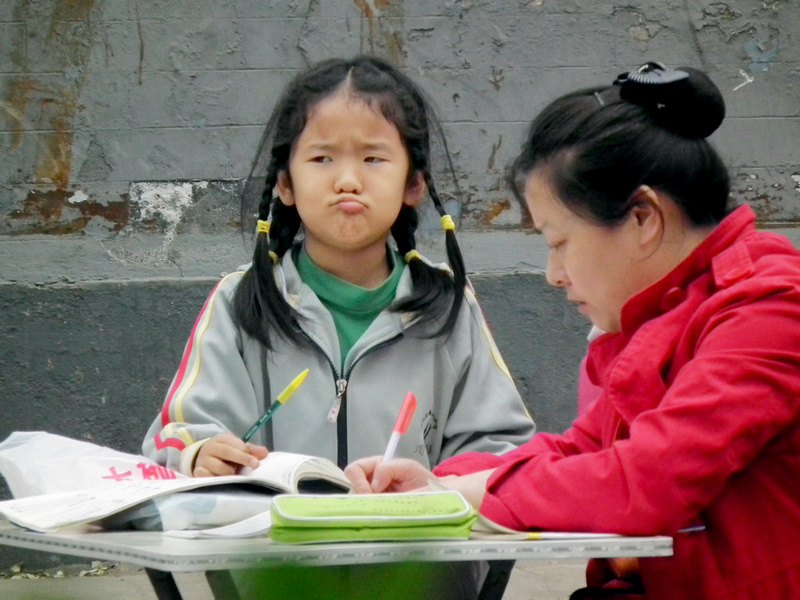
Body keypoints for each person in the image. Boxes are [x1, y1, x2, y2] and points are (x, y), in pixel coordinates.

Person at [345, 62, 800, 600]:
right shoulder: (673, 312)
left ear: (643, 219)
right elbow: (580, 452)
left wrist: (466, 494)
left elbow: (644, 481)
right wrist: (439, 483)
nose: (553, 274)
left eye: (558, 242)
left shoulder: (771, 309)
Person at [142, 54, 534, 599]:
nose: (347, 180)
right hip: (276, 588)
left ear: (414, 184)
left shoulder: (447, 306)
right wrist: (198, 454)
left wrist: (437, 487)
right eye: (322, 158)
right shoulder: (241, 303)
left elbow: (507, 451)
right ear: (286, 183)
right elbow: (171, 441)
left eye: (374, 158)